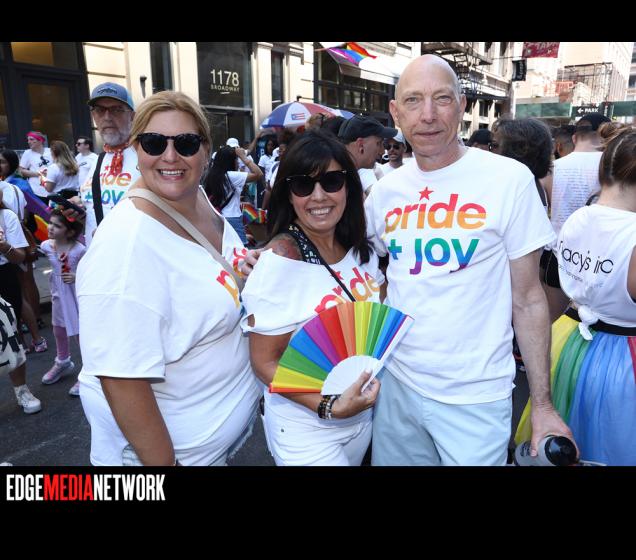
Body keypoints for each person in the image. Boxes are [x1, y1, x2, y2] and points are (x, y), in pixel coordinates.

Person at [364, 54, 574, 465]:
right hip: (396, 386)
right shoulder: (385, 190)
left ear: (461, 106)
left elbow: (528, 299)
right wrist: (280, 246)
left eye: (442, 98)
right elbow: (362, 264)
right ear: (395, 112)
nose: (428, 115)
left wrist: (542, 405)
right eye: (413, 100)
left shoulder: (508, 180)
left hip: (476, 397)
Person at [77, 90, 260, 466]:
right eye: (154, 142)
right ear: (137, 148)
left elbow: (205, 266)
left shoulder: (194, 196)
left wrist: (243, 265)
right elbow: (121, 378)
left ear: (205, 149)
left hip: (212, 446)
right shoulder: (125, 245)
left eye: (186, 143)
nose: (171, 156)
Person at [241, 129, 382, 466]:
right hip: (306, 429)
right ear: (289, 195)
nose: (319, 196)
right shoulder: (280, 261)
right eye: (303, 185)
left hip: (361, 420)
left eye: (332, 181)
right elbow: (265, 363)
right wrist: (328, 406)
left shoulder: (360, 250)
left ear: (348, 186)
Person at [515, 125, 636, 465]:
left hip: (567, 344)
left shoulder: (577, 218)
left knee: (566, 442)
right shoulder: (631, 234)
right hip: (623, 362)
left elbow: (554, 292)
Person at [544, 112, 611, 322]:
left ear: (574, 138)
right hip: (599, 261)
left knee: (553, 320)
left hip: (558, 255)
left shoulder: (553, 168)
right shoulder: (612, 168)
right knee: (593, 324)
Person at [74, 82, 139, 246]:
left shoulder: (148, 158)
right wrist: (80, 212)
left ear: (132, 116)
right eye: (100, 110)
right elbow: (96, 210)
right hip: (96, 255)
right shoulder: (98, 160)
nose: (107, 117)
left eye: (116, 109)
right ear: (93, 116)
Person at [39, 208, 86, 396]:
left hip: (75, 293)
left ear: (70, 232)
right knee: (58, 328)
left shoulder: (79, 250)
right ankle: (62, 360)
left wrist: (76, 276)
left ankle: (89, 369)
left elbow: (90, 270)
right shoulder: (46, 246)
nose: (50, 227)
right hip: (59, 294)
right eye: (50, 223)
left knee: (80, 332)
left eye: (57, 226)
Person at [0, 206, 42, 413]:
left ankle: (21, 390)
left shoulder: (5, 216)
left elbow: (19, 257)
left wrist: (4, 246)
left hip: (3, 275)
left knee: (11, 333)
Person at [0, 149, 46, 335]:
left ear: (11, 164)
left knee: (22, 286)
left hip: (13, 241)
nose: (0, 165)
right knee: (26, 282)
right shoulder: (18, 185)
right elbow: (26, 212)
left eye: (2, 162)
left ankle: (30, 326)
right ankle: (35, 321)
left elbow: (14, 214)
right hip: (18, 237)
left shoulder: (10, 186)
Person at [203, 145, 263, 244]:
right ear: (230, 161)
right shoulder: (231, 176)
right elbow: (258, 174)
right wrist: (243, 157)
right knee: (239, 249)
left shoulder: (212, 175)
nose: (238, 162)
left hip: (218, 217)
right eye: (236, 159)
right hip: (233, 218)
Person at [338, 115, 397, 197]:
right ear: (360, 145)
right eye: (378, 143)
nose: (383, 151)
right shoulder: (335, 180)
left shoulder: (346, 176)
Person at [18, 131, 52, 202]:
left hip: (54, 188)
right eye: (28, 140)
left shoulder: (50, 151)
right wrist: (38, 173)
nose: (28, 142)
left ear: (40, 140)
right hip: (36, 190)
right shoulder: (27, 153)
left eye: (31, 139)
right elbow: (21, 171)